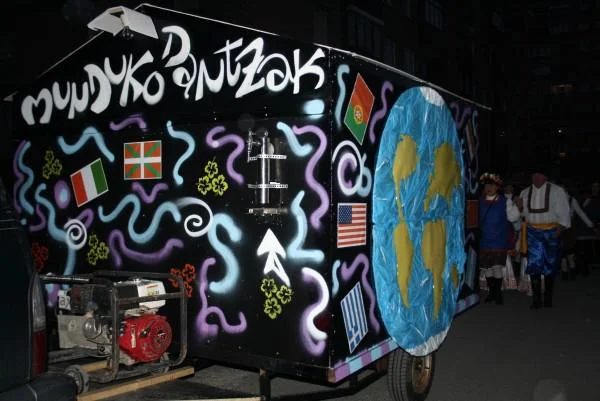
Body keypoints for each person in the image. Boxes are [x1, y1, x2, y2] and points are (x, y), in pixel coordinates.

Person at [517, 170, 571, 309]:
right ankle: (536, 300)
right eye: (533, 175)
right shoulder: (525, 192)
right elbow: (522, 214)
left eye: (539, 175)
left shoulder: (557, 191)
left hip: (551, 232)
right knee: (534, 265)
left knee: (550, 265)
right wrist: (519, 207)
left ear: (545, 176)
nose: (536, 177)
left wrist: (560, 228)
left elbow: (565, 211)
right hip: (533, 233)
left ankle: (548, 298)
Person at [478, 173, 520, 305]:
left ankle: (498, 294)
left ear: (497, 187)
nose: (489, 188)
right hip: (484, 240)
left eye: (492, 185)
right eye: (487, 185)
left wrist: (517, 206)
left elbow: (513, 217)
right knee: (487, 269)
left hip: (499, 240)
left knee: (496, 268)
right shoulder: (479, 201)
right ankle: (492, 293)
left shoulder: (505, 201)